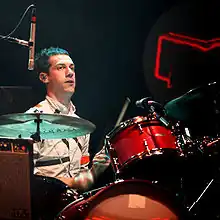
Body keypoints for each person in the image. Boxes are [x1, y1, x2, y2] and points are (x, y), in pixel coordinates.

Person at [26, 46, 110, 192]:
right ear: (44, 77)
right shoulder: (31, 121)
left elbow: (82, 177)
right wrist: (71, 182)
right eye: (60, 68)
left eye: (72, 68)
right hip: (43, 205)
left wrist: (94, 171)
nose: (70, 73)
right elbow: (24, 177)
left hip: (72, 206)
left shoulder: (82, 126)